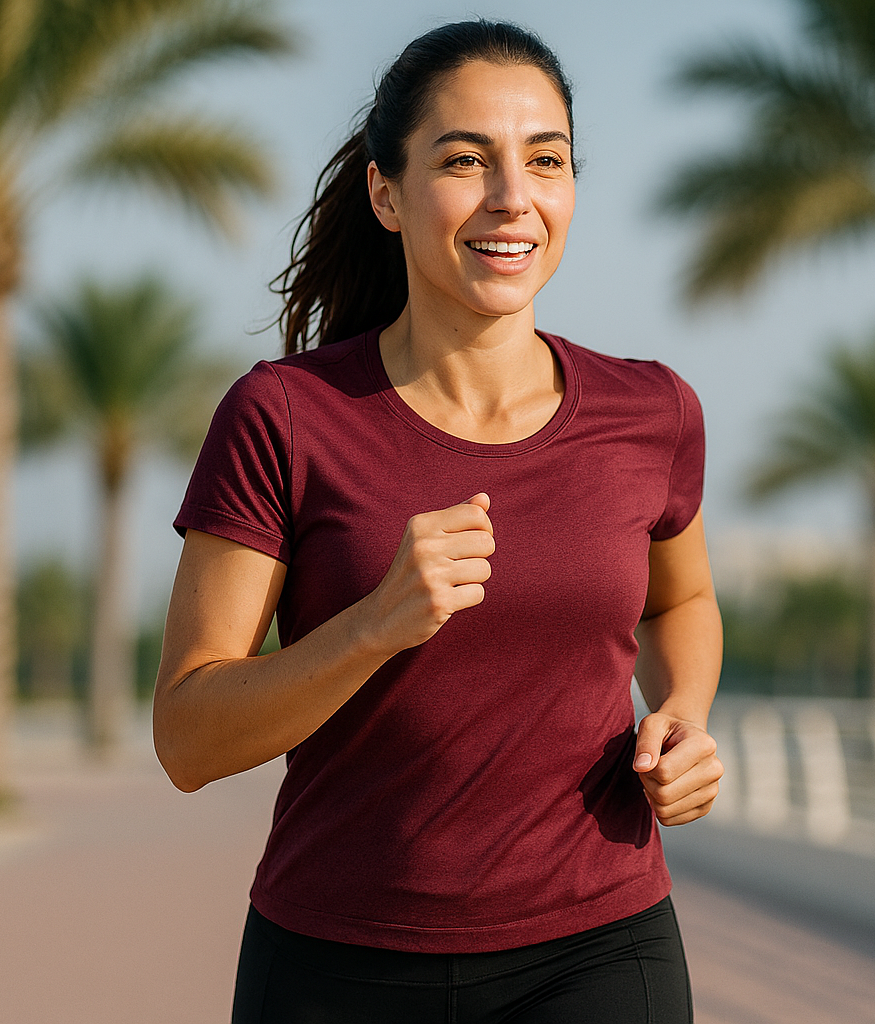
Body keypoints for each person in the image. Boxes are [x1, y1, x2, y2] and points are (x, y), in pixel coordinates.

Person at [153, 19, 723, 1024]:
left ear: (572, 189)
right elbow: (189, 736)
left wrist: (682, 712)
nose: (512, 197)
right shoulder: (285, 416)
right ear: (387, 192)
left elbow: (682, 600)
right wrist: (375, 623)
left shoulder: (653, 412)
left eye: (545, 160)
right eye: (466, 160)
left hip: (599, 946)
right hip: (336, 962)